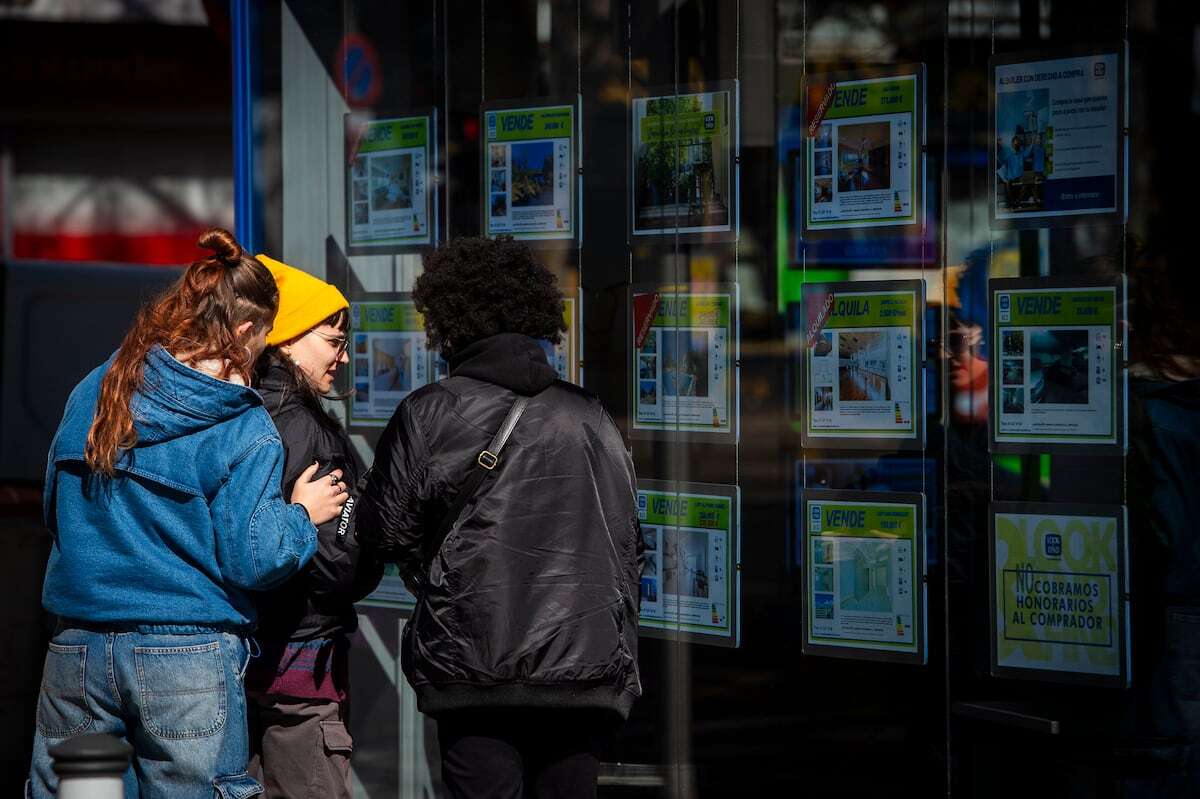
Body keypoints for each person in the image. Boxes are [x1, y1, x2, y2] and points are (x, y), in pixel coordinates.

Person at [28, 228, 348, 797]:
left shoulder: (96, 389)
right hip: (187, 654)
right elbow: (256, 561)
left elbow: (56, 509)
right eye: (267, 335)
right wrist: (302, 513)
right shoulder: (241, 422)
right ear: (246, 329)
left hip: (77, 647)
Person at [356, 236, 643, 799]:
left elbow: (383, 533)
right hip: (582, 668)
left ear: (447, 318)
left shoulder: (430, 410)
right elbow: (631, 541)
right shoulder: (591, 414)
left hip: (474, 665)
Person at [245, 256, 383, 798]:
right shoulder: (305, 428)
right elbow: (337, 561)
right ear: (286, 340)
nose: (343, 357)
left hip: (245, 659)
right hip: (302, 661)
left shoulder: (245, 410)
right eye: (332, 340)